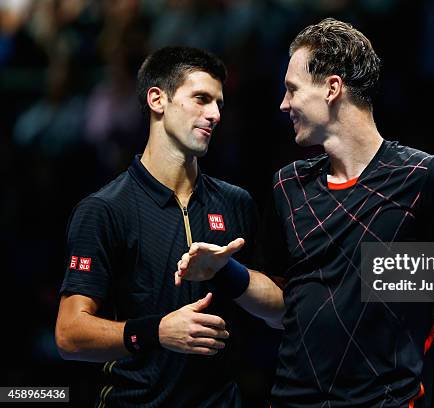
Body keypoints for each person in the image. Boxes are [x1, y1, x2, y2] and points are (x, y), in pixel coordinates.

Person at [177, 18, 434, 407]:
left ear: (332, 88)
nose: (283, 104)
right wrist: (226, 272)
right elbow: (283, 306)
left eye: (292, 90)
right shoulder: (286, 186)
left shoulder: (424, 178)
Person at [55, 46, 282, 407]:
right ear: (157, 99)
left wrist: (229, 272)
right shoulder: (104, 209)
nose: (215, 114)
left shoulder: (236, 203)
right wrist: (157, 332)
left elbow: (281, 313)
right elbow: (69, 334)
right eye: (202, 99)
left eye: (219, 104)